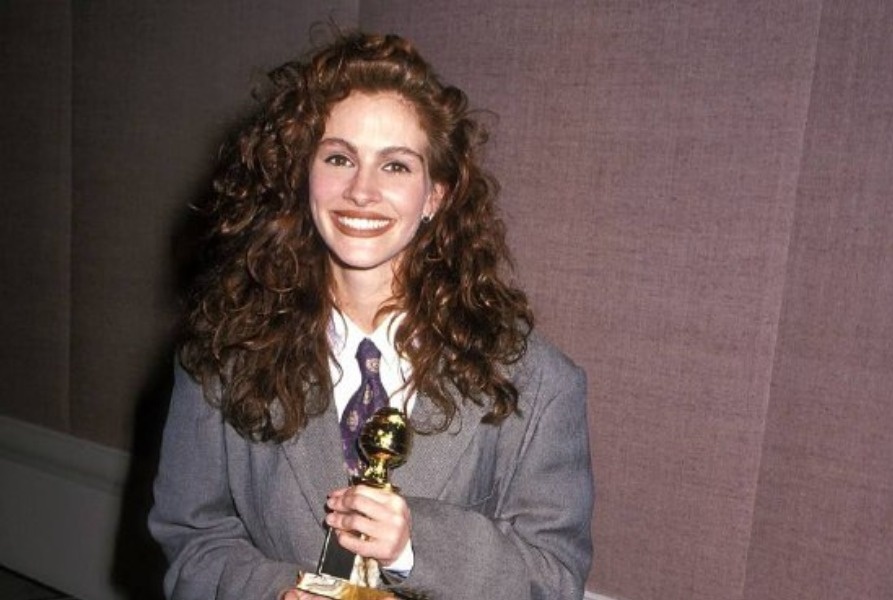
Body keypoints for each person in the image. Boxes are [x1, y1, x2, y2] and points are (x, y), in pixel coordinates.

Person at [148, 30, 593, 600]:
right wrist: (271, 592)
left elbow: (554, 580)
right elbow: (192, 538)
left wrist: (415, 544)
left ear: (435, 195)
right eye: (339, 158)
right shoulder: (221, 353)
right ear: (301, 175)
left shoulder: (540, 383)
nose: (361, 191)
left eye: (396, 166)